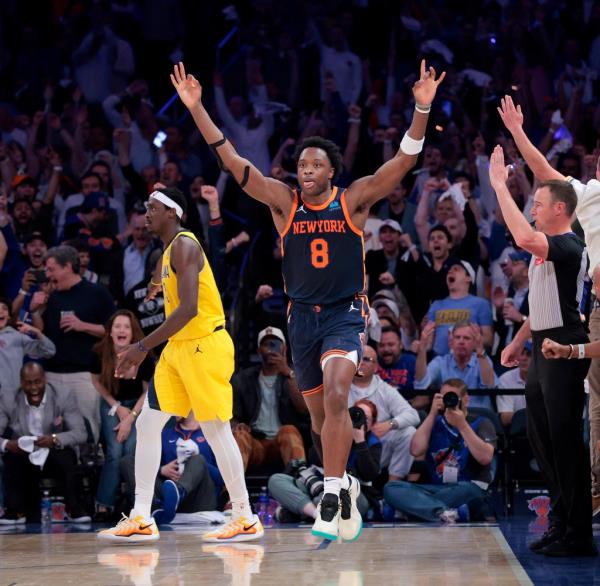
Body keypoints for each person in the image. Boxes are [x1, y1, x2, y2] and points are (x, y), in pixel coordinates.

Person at [170, 59, 445, 541]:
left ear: (332, 171)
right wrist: (197, 110)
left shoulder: (354, 200)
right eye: (301, 164)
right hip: (301, 321)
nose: (307, 170)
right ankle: (343, 478)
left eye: (316, 164)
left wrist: (421, 108)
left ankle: (336, 491)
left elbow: (403, 162)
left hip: (344, 313)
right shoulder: (284, 202)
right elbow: (233, 162)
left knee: (339, 394)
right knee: (320, 421)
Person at [99, 186, 261, 544]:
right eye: (145, 207)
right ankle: (142, 516)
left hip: (204, 343)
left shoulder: (186, 245)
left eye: (153, 207)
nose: (146, 213)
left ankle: (245, 516)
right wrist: (157, 285)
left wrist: (141, 346)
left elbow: (188, 310)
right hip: (178, 348)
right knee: (148, 423)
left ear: (172, 213)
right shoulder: (168, 250)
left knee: (217, 430)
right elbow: (162, 274)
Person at [490, 147, 596, 557]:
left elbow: (520, 235)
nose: (531, 209)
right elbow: (539, 304)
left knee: (564, 439)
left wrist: (500, 186)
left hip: (566, 344)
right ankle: (561, 517)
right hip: (541, 346)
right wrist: (517, 342)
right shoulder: (546, 247)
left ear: (559, 210)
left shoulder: (568, 246)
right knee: (541, 437)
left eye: (537, 204)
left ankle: (578, 531)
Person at [31, 245, 115, 443]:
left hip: (85, 375)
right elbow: (41, 334)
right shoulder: (50, 297)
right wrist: (35, 310)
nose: (48, 275)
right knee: (54, 428)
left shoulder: (97, 293)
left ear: (67, 267)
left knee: (90, 428)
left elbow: (113, 331)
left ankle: (91, 469)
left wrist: (82, 325)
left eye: (51, 269)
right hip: (52, 374)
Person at [383, 379, 496, 523]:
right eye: (444, 397)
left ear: (466, 399)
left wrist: (462, 425)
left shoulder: (481, 422)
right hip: (438, 488)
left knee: (470, 490)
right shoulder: (435, 423)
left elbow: (485, 458)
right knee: (391, 487)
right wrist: (431, 414)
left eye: (452, 397)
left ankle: (411, 509)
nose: (448, 401)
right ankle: (443, 511)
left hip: (467, 487)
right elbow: (415, 450)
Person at [0, 362, 89, 524]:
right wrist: (7, 444)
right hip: (24, 450)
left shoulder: (63, 394)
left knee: (67, 457)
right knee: (12, 459)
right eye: (28, 383)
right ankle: (15, 511)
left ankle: (74, 509)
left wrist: (54, 439)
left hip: (53, 447)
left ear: (45, 380)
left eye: (37, 382)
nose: (33, 387)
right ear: (21, 383)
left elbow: (80, 433)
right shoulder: (8, 399)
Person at [268, 398, 381, 524]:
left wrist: (360, 441)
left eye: (367, 418)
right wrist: (336, 435)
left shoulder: (373, 443)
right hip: (319, 485)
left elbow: (370, 474)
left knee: (323, 501)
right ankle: (316, 514)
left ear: (373, 424)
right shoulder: (337, 433)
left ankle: (302, 512)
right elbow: (314, 458)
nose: (360, 421)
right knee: (276, 480)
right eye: (356, 415)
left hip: (353, 494)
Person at [91, 310, 153, 520]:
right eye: (117, 326)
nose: (121, 330)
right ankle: (104, 504)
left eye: (126, 327)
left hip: (137, 406)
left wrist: (130, 417)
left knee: (129, 452)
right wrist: (116, 407)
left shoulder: (143, 354)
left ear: (132, 332)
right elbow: (96, 381)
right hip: (111, 403)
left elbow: (147, 391)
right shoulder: (99, 352)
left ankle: (136, 504)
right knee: (115, 452)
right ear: (110, 332)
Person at [120, 411, 224, 526]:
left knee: (198, 459)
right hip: (167, 496)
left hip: (199, 499)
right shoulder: (165, 434)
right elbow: (147, 468)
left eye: (178, 404)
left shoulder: (211, 434)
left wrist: (201, 463)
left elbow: (222, 479)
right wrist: (162, 470)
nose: (173, 409)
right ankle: (154, 507)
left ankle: (178, 492)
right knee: (128, 461)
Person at [231, 326, 308, 473]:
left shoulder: (296, 377)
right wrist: (238, 424)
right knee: (239, 435)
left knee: (289, 430)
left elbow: (304, 409)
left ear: (284, 348)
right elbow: (232, 416)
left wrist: (288, 372)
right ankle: (231, 492)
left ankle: (301, 481)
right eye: (266, 344)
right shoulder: (243, 379)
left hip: (282, 443)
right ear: (259, 350)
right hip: (255, 442)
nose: (271, 349)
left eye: (275, 344)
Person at [350, 345, 420, 480]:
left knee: (408, 432)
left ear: (376, 366)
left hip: (376, 446)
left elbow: (413, 415)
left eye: (366, 359)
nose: (361, 362)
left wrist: (390, 424)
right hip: (346, 443)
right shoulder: (341, 385)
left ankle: (392, 485)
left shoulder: (384, 389)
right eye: (357, 358)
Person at [415, 321, 496, 410]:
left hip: (479, 416)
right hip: (449, 415)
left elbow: (489, 386)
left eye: (466, 338)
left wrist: (480, 350)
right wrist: (422, 349)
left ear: (474, 343)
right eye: (457, 337)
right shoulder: (440, 362)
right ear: (451, 342)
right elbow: (421, 384)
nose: (461, 341)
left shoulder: (483, 360)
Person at [427, 260, 493, 356]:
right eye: (449, 270)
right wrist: (420, 345)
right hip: (440, 364)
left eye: (456, 269)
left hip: (469, 363)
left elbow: (488, 340)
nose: (450, 272)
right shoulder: (436, 305)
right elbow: (429, 343)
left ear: (468, 278)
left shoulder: (481, 304)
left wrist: (466, 344)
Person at [0, 296, 55, 401]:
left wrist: (38, 333)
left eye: (5, 308)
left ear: (9, 316)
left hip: (11, 399)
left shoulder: (17, 337)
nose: (1, 312)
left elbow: (49, 351)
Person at [497, 343, 530, 427]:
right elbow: (505, 419)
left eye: (529, 354)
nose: (523, 358)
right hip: (517, 430)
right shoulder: (506, 379)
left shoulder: (546, 378)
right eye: (521, 354)